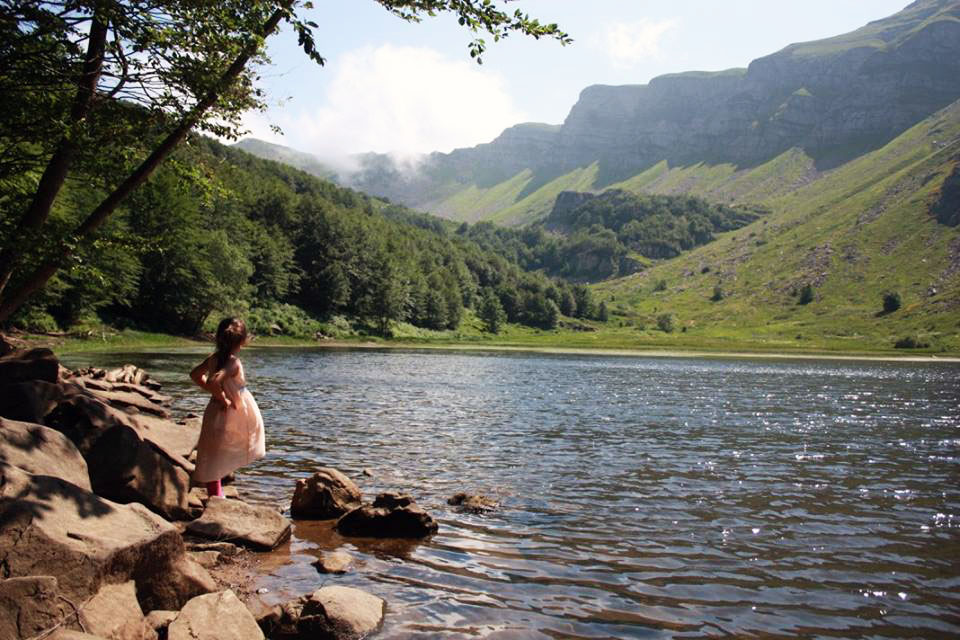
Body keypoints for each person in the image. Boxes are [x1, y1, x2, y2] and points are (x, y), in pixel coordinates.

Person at [190, 317, 265, 498]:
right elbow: (215, 380)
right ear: (243, 341)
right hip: (233, 410)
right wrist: (223, 398)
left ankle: (215, 494)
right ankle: (218, 497)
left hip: (214, 409)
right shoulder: (233, 362)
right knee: (241, 441)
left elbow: (195, 375)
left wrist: (214, 393)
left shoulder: (213, 358)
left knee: (212, 451)